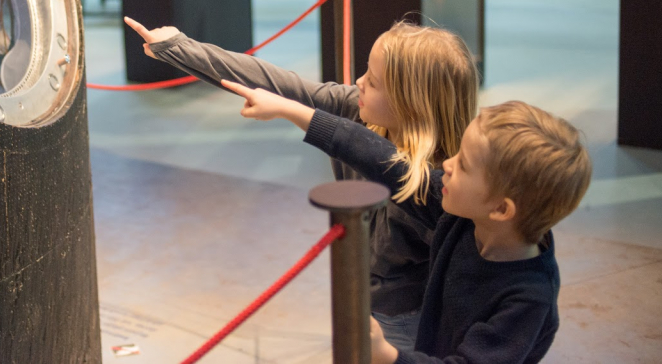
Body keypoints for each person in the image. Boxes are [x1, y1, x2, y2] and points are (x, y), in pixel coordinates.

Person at [125, 17, 478, 349]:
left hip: (403, 321)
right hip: (360, 297)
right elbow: (273, 81)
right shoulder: (356, 109)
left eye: (372, 81)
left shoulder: (443, 188)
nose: (359, 83)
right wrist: (177, 46)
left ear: (410, 104)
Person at [217, 84, 590, 363]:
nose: (447, 164)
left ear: (501, 209)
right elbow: (382, 159)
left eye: (463, 165)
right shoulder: (463, 218)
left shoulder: (527, 300)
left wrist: (388, 356)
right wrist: (290, 109)